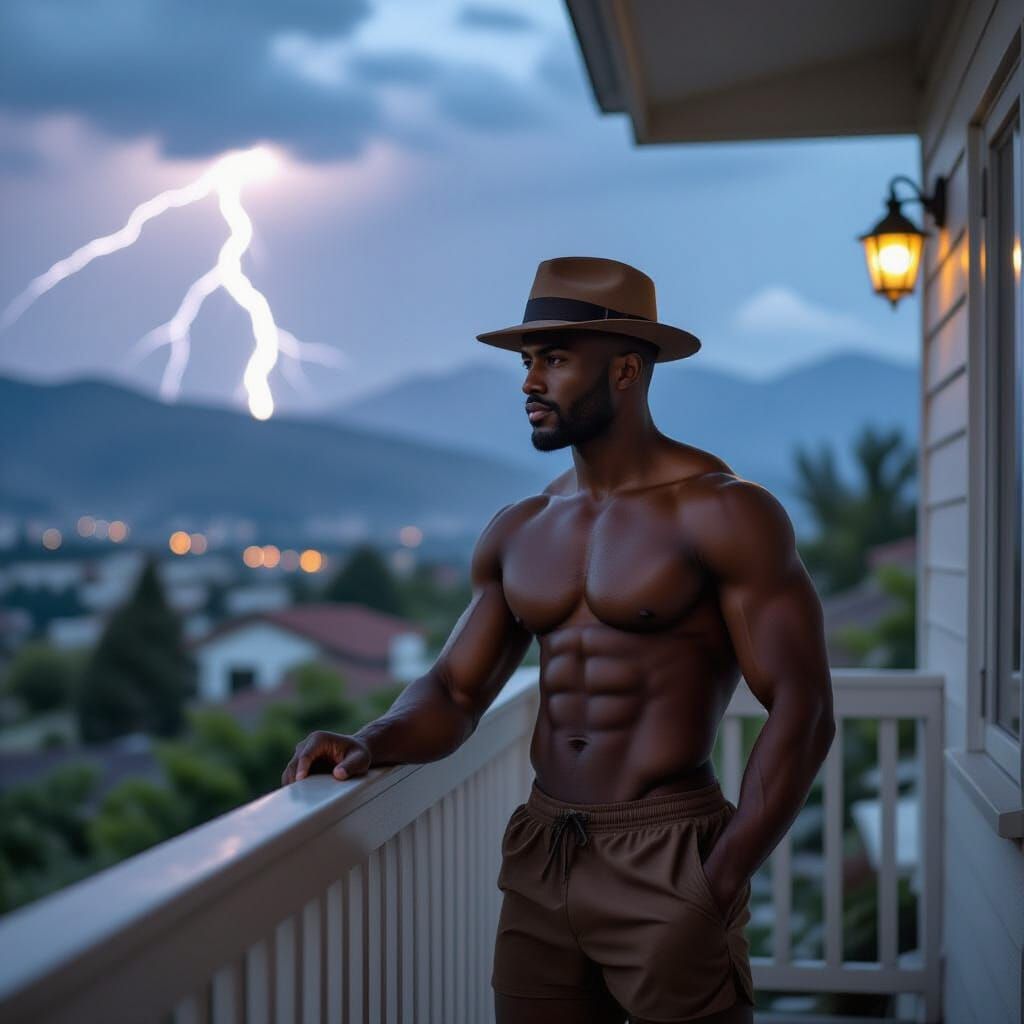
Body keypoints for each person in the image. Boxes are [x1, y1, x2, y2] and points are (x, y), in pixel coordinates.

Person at [281, 256, 836, 1024]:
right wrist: (370, 741)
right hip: (543, 851)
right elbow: (455, 692)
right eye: (527, 362)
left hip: (668, 852)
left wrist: (719, 879)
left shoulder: (723, 513)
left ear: (626, 371)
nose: (530, 383)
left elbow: (804, 708)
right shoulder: (521, 527)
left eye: (556, 360)